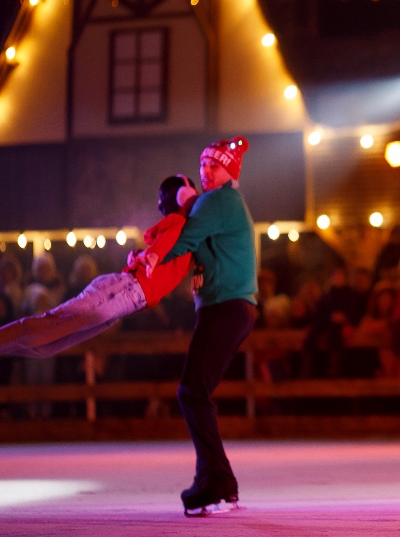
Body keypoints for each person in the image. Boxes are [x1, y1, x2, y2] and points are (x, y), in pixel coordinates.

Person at [142, 137, 258, 516]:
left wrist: (149, 256)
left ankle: (217, 481)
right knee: (197, 392)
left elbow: (183, 239)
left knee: (192, 392)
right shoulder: (221, 203)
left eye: (215, 165)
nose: (206, 171)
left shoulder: (219, 200)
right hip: (230, 307)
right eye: (203, 165)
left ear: (230, 172)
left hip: (225, 306)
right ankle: (214, 480)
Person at [0, 176, 196, 359]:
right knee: (45, 330)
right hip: (124, 291)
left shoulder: (189, 237)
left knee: (45, 347)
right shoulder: (179, 222)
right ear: (185, 197)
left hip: (126, 297)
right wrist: (152, 255)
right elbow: (164, 240)